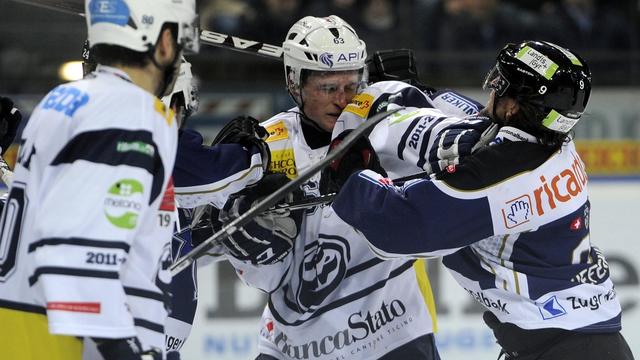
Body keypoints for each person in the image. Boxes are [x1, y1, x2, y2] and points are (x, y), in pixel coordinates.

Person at [330, 40, 636, 359]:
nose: (492, 94)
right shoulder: (545, 143)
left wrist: (349, 171)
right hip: (572, 342)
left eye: (500, 86)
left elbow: (399, 228)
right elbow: (475, 122)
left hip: (565, 348)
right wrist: (417, 91)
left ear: (514, 107)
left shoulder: (503, 178)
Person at [213, 15, 445, 360]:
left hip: (394, 329)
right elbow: (265, 278)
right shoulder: (268, 146)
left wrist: (426, 97)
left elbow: (444, 196)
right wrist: (247, 244)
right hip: (298, 344)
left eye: (351, 86)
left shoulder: (390, 128)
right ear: (294, 84)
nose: (342, 100)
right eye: (327, 88)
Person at [0, 0, 199, 358]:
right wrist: (124, 350)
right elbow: (77, 256)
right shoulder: (132, 113)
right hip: (70, 345)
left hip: (21, 329)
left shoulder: (61, 100)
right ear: (164, 42)